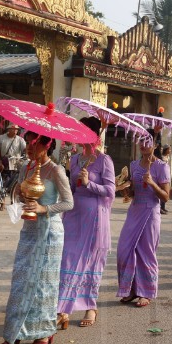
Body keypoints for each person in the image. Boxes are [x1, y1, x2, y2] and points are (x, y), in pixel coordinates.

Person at [0, 132, 73, 344]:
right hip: (29, 228)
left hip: (50, 231)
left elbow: (69, 203)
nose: (29, 146)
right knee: (21, 279)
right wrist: (24, 197)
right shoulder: (26, 168)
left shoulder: (56, 170)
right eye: (28, 142)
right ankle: (14, 333)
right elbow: (22, 194)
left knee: (44, 283)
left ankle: (45, 331)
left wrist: (44, 208)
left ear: (46, 144)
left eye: (34, 142)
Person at [57, 117, 115, 329]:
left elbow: (110, 191)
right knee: (67, 258)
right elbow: (71, 189)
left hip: (94, 217)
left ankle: (91, 305)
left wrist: (90, 184)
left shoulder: (104, 160)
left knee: (89, 261)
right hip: (74, 214)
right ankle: (63, 307)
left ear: (92, 134)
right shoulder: (74, 160)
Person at [115, 136, 170, 307]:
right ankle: (130, 290)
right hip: (135, 211)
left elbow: (166, 196)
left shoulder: (162, 167)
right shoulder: (133, 165)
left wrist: (153, 184)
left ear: (155, 145)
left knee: (146, 253)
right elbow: (132, 193)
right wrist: (124, 190)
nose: (144, 145)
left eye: (148, 142)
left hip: (151, 212)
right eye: (141, 142)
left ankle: (146, 292)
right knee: (124, 249)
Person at [158, 144, 171, 215]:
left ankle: (163, 207)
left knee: (166, 192)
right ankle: (160, 207)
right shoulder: (162, 157)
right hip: (162, 177)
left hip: (167, 176)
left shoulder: (167, 157)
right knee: (162, 192)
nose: (170, 151)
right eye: (169, 149)